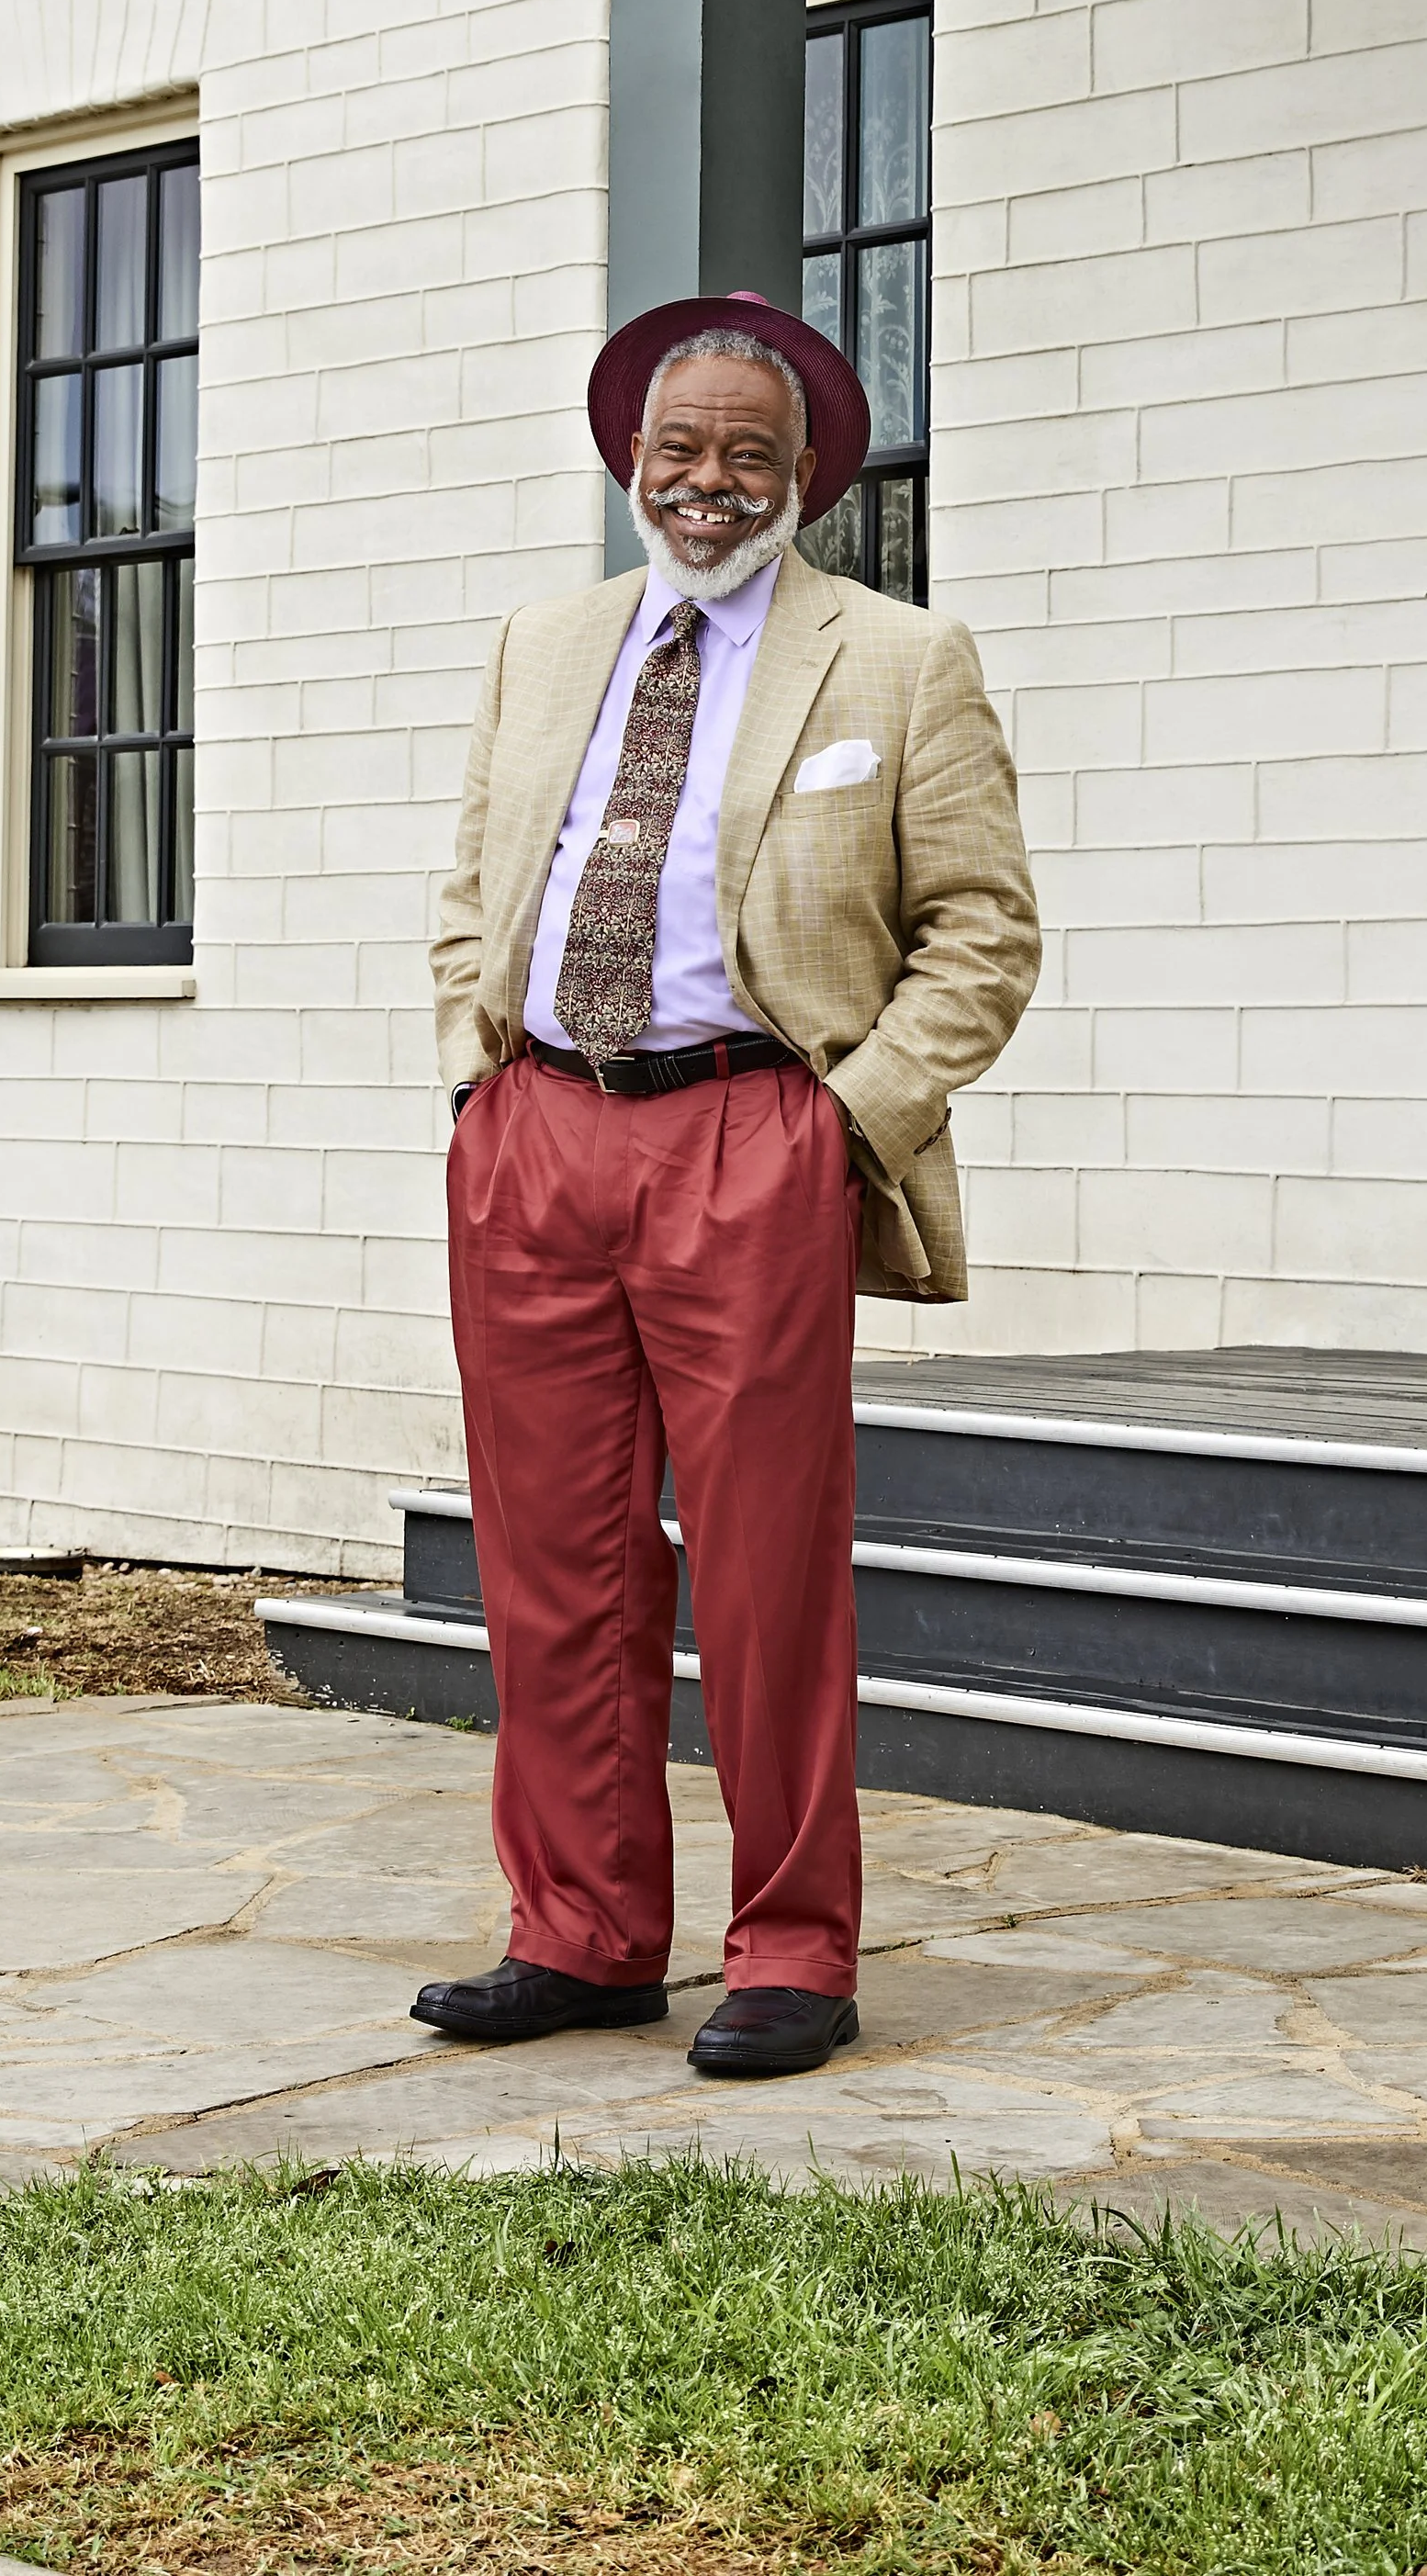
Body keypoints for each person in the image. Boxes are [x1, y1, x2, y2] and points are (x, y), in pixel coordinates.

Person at [411, 293, 1039, 2078]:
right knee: (551, 1564)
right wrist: (477, 1078)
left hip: (748, 1138)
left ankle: (792, 1948)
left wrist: (843, 1126)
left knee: (763, 1569)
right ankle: (584, 1933)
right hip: (534, 1133)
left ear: (803, 481)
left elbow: (982, 935)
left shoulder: (895, 662)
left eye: (744, 455)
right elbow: (477, 872)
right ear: (631, 460)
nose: (706, 481)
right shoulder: (545, 643)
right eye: (676, 449)